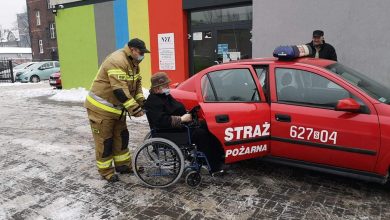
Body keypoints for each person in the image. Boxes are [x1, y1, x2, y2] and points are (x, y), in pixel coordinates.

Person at [84, 38, 150, 182]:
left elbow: (137, 85)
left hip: (117, 110)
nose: (142, 56)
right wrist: (135, 109)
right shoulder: (117, 60)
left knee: (122, 137)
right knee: (105, 141)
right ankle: (106, 171)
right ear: (132, 50)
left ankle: (123, 165)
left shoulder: (133, 63)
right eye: (141, 52)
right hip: (101, 108)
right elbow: (119, 90)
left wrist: (142, 102)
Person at [144, 72, 224, 174]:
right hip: (170, 132)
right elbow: (161, 121)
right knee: (202, 134)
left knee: (207, 126)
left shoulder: (164, 96)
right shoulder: (153, 102)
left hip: (179, 128)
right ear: (156, 88)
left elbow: (176, 107)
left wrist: (188, 114)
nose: (168, 87)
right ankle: (212, 165)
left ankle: (217, 156)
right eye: (165, 86)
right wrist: (181, 119)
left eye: (168, 85)